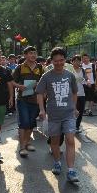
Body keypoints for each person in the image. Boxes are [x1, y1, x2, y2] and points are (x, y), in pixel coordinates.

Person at [36, 48, 80, 183]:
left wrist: (74, 107)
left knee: (70, 140)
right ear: (52, 61)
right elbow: (39, 93)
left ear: (65, 60)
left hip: (68, 114)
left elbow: (74, 92)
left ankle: (71, 171)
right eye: (56, 61)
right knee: (55, 141)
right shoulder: (47, 76)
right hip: (53, 114)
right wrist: (42, 110)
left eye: (61, 60)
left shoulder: (70, 75)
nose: (59, 63)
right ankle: (57, 162)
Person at [13, 46, 45, 157]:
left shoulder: (40, 68)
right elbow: (11, 81)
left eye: (34, 53)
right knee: (24, 122)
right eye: (30, 53)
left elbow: (44, 82)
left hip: (35, 99)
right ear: (25, 55)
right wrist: (19, 86)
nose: (33, 55)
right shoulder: (20, 67)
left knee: (31, 122)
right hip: (22, 99)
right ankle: (22, 147)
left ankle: (27, 142)